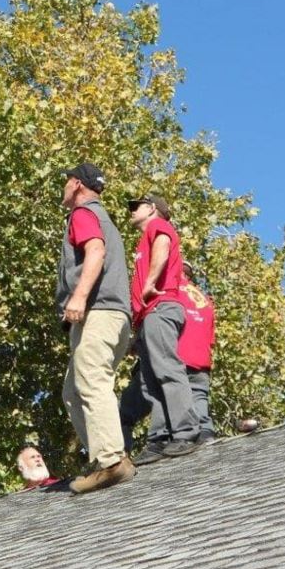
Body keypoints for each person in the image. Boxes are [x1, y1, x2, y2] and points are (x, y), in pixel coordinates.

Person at [56, 163, 136, 494]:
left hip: (99, 311)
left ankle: (112, 462)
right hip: (113, 315)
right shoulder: (102, 217)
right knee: (73, 391)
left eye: (66, 182)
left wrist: (78, 297)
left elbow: (95, 251)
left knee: (90, 378)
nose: (63, 188)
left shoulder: (84, 214)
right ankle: (105, 456)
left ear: (77, 184)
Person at [123, 194, 200, 465]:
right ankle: (160, 437)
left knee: (167, 369)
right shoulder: (144, 238)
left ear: (152, 208)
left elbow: (164, 246)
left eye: (135, 206)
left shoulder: (158, 226)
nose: (130, 211)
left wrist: (150, 282)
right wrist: (137, 332)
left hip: (161, 306)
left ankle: (185, 431)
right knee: (151, 378)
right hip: (149, 315)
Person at [121, 260, 215, 451]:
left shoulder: (167, 292)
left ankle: (120, 454)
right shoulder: (204, 299)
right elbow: (209, 337)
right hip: (200, 364)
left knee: (125, 412)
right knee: (199, 408)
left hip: (171, 361)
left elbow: (159, 329)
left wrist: (136, 342)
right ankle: (205, 438)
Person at [176, 262, 216, 441]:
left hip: (179, 355)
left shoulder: (171, 291)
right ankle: (206, 434)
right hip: (202, 359)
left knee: (168, 399)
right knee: (199, 398)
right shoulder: (204, 299)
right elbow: (211, 337)